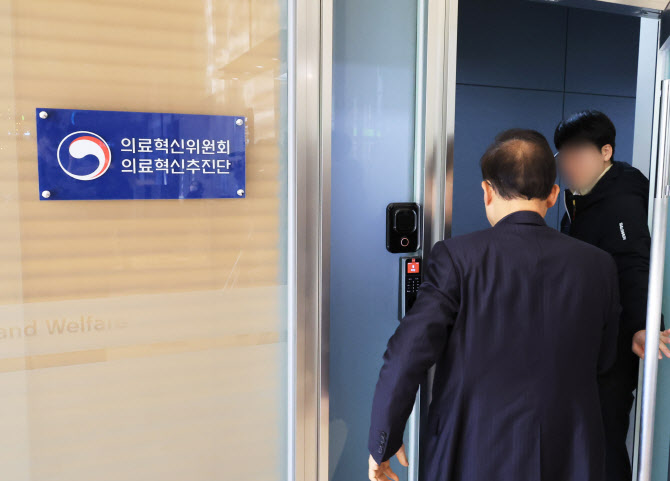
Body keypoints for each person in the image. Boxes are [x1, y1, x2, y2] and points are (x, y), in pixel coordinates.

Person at [367, 129, 621, 481]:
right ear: (552, 195)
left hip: (473, 451)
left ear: (487, 191)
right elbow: (605, 360)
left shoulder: (457, 258)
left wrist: (383, 440)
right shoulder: (599, 265)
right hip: (571, 453)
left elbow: (407, 352)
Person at [554, 110, 670, 481]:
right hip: (587, 339)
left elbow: (634, 264)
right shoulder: (583, 195)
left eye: (577, 153)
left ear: (606, 152)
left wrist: (642, 325)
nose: (567, 163)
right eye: (563, 154)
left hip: (612, 346)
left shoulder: (620, 200)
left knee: (602, 440)